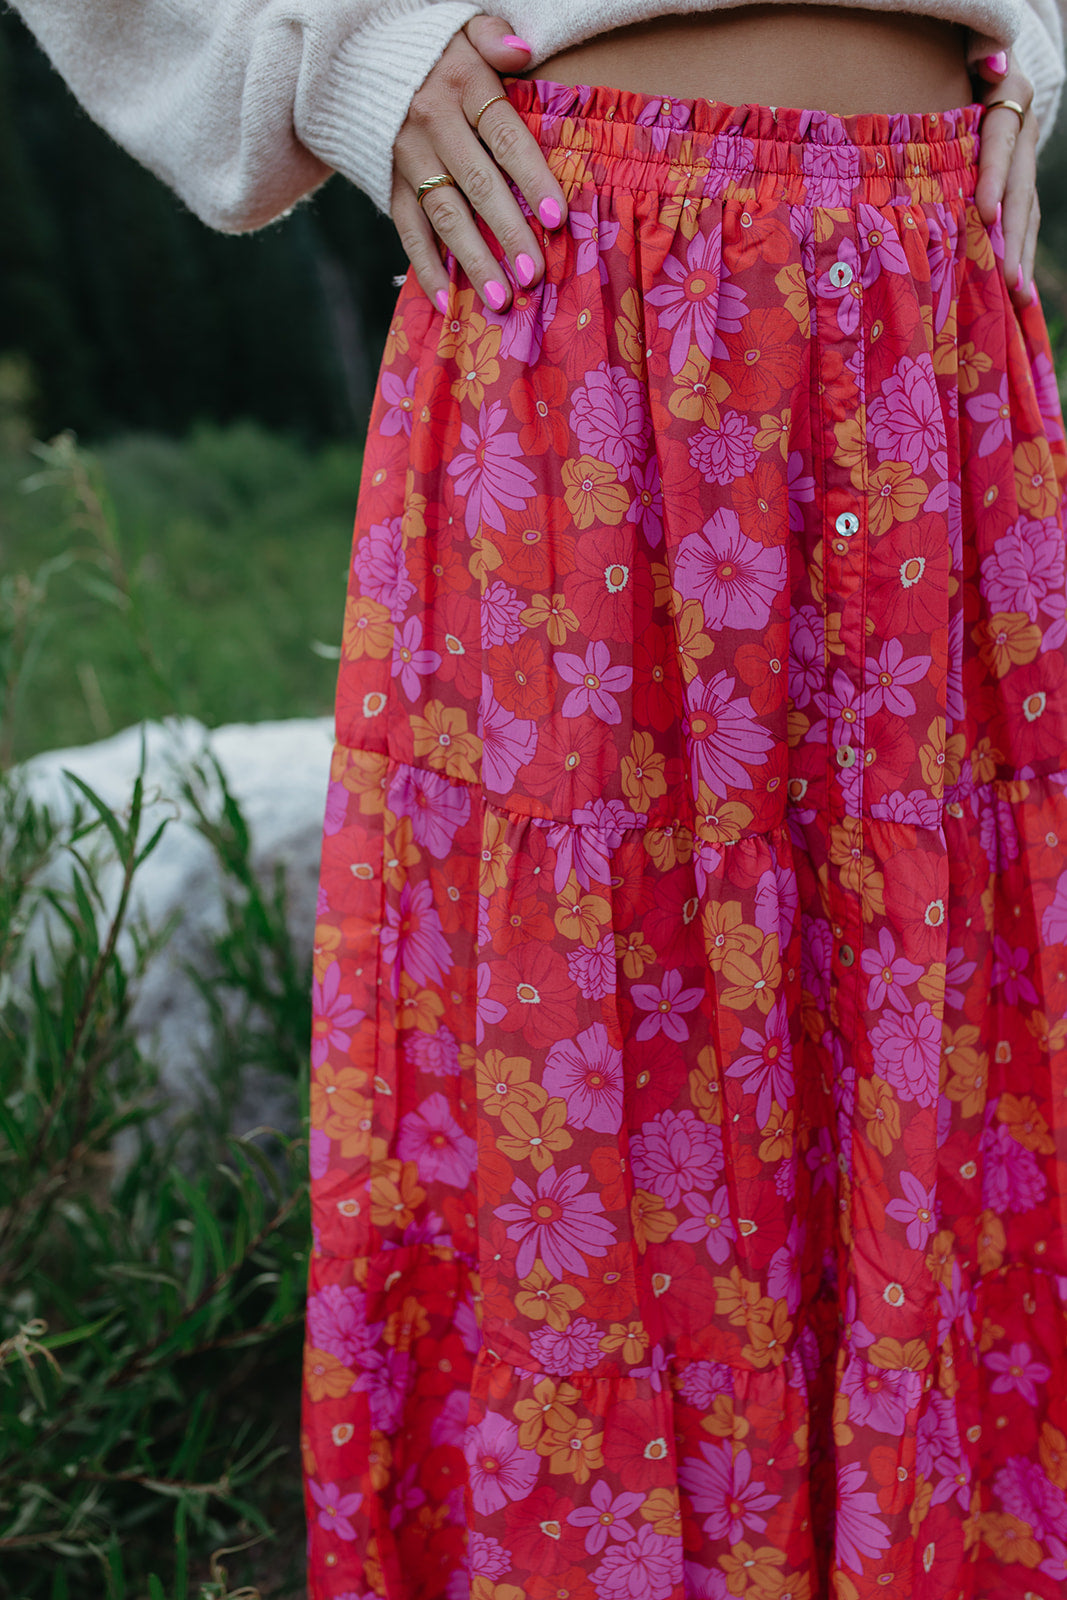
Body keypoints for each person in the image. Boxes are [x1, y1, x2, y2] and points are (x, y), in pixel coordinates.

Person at [10, 0, 1067, 1595]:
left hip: (935, 301)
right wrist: (334, 54)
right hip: (574, 279)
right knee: (579, 1126)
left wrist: (1034, 55)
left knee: (948, 1090)